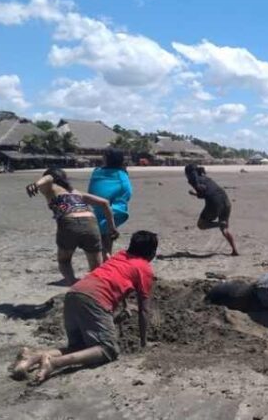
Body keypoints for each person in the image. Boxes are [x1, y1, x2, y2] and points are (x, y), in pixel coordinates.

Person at [9, 231, 158, 384]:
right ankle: (53, 363)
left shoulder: (120, 256)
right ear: (152, 253)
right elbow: (144, 310)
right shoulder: (144, 268)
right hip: (95, 299)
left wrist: (124, 306)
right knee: (109, 349)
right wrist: (144, 342)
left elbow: (116, 279)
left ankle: (32, 357)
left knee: (81, 347)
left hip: (74, 293)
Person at [26, 169, 119, 285]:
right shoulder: (77, 193)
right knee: (96, 269)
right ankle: (96, 290)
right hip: (90, 222)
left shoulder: (50, 188)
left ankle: (73, 284)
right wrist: (112, 227)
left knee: (64, 261)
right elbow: (105, 203)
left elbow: (49, 177)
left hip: (69, 222)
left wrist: (36, 184)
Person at [185, 164, 240, 256]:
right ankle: (235, 250)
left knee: (201, 225)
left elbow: (203, 191)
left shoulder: (193, 180)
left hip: (214, 203)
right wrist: (196, 194)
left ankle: (219, 223)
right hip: (225, 201)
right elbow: (207, 191)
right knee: (224, 229)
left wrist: (194, 193)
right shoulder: (206, 178)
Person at [88, 148, 132, 260]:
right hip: (112, 212)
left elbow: (92, 191)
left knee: (103, 245)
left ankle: (104, 267)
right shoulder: (122, 175)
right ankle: (106, 267)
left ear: (107, 159)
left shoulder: (97, 172)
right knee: (106, 245)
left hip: (94, 214)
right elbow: (126, 194)